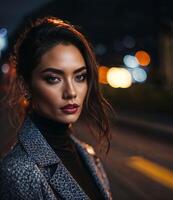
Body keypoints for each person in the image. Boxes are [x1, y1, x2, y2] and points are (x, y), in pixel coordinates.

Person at [0, 16, 113, 200]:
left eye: (80, 77)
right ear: (25, 86)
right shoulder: (18, 171)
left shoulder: (88, 154)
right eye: (53, 78)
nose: (71, 92)